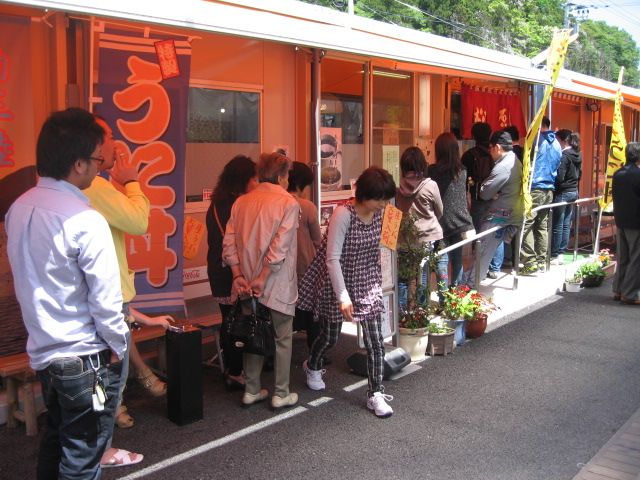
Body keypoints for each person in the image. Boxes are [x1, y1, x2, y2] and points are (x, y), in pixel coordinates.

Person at [5, 108, 129, 479]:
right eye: (96, 158)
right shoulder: (84, 218)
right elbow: (105, 302)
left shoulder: (19, 207)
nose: (100, 165)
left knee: (56, 441)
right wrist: (119, 346)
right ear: (78, 164)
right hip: (84, 358)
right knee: (83, 457)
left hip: (45, 353)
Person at [298, 166, 397, 418]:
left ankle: (375, 393)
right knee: (330, 338)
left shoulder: (387, 213)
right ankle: (313, 364)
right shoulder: (343, 214)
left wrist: (386, 280)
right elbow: (332, 259)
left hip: (368, 282)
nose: (383, 205)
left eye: (386, 199)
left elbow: (388, 248)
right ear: (363, 193)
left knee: (376, 342)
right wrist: (343, 296)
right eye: (379, 199)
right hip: (339, 282)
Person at [222, 152, 300, 410]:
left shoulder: (241, 202)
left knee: (250, 330)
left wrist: (238, 276)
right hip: (275, 282)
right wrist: (264, 277)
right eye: (287, 175)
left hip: (245, 282)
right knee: (282, 337)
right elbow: (280, 247)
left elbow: (229, 243)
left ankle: (252, 390)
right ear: (280, 176)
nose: (288, 180)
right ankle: (281, 393)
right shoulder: (289, 203)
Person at [206, 155, 258, 390]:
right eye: (253, 178)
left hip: (218, 270)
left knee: (229, 319)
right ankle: (235, 371)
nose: (256, 183)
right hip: (230, 271)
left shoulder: (217, 202)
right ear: (243, 180)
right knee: (234, 322)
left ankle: (234, 368)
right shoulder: (236, 205)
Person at [462, 130, 524, 289]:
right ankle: (479, 278)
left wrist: (484, 186)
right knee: (490, 249)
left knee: (482, 251)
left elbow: (484, 192)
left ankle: (468, 286)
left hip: (499, 214)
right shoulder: (515, 160)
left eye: (490, 148)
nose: (489, 152)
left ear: (497, 147)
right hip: (510, 214)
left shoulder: (503, 166)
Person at [428, 133, 474, 304]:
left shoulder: (432, 171)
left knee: (441, 260)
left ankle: (443, 298)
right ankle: (455, 295)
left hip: (440, 222)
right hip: (459, 221)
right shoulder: (462, 171)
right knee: (457, 260)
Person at [396, 146, 443, 307]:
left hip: (404, 238)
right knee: (423, 276)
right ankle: (421, 313)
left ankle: (401, 314)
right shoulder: (431, 185)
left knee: (403, 278)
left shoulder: (398, 186)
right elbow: (440, 211)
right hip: (427, 238)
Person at [287, 162, 323, 354]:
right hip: (305, 266)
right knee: (311, 311)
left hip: (281, 268)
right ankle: (315, 352)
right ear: (301, 185)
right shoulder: (307, 207)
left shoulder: (277, 204)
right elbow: (318, 240)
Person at [461, 122, 503, 278]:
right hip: (497, 198)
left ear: (473, 136)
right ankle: (495, 267)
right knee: (496, 231)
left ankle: (480, 268)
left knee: (480, 233)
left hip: (479, 199)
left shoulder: (469, 155)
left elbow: (464, 181)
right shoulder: (498, 154)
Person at [520, 116, 562, 274]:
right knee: (542, 226)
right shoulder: (557, 143)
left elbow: (527, 162)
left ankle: (530, 262)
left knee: (526, 224)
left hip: (535, 187)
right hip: (549, 188)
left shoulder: (536, 141)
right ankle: (541, 260)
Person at [612, 142, 640, 305]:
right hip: (636, 221)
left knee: (622, 257)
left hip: (621, 219)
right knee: (636, 258)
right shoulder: (638, 174)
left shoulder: (618, 173)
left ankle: (618, 289)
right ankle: (629, 294)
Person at [550, 130, 582, 265]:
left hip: (562, 192)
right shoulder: (578, 154)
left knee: (558, 224)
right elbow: (579, 174)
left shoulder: (564, 156)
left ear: (563, 140)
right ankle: (562, 252)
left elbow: (560, 177)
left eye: (557, 140)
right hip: (573, 191)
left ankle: (555, 254)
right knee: (565, 224)